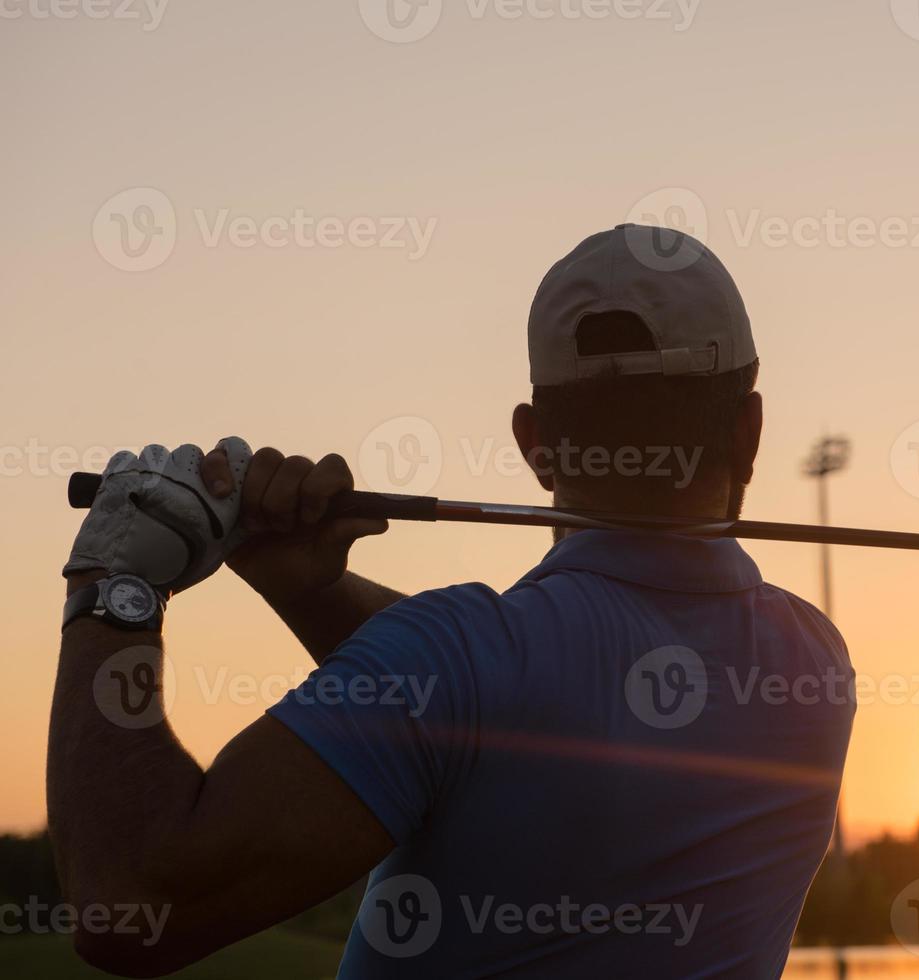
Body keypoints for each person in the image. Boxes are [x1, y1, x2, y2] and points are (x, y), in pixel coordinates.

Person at [49, 225, 856, 978]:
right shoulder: (813, 664)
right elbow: (508, 708)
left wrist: (116, 581)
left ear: (533, 444)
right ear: (749, 429)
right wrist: (314, 593)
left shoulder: (460, 657)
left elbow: (130, 904)